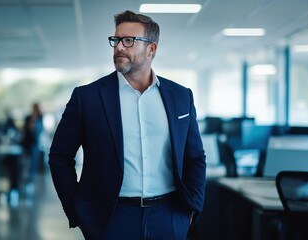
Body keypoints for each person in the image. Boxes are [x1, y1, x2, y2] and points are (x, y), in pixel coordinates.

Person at [48, 10, 206, 240]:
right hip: (112, 219)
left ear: (151, 49)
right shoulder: (88, 98)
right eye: (116, 40)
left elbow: (195, 157)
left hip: (169, 217)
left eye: (129, 41)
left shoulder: (181, 97)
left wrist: (192, 208)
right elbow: (59, 156)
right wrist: (77, 210)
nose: (119, 47)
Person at [21, 102, 44, 184]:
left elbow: (38, 131)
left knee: (33, 163)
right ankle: (25, 177)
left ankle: (31, 179)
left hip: (35, 144)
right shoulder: (28, 118)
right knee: (26, 162)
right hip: (27, 144)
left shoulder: (40, 118)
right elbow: (26, 130)